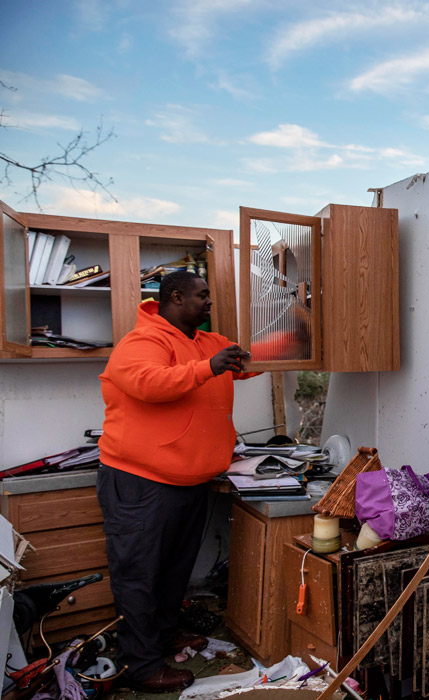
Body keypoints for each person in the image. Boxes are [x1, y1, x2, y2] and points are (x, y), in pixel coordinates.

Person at [97, 271, 256, 692]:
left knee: (172, 572)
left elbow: (251, 362)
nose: (209, 302)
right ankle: (142, 666)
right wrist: (208, 368)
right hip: (140, 481)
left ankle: (164, 638)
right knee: (139, 576)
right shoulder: (142, 341)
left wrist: (297, 326)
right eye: (202, 295)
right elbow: (148, 384)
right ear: (175, 296)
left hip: (191, 481)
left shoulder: (208, 342)